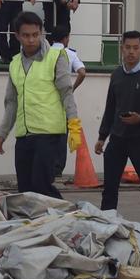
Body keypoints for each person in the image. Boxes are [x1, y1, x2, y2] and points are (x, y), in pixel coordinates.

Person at [0, 12, 79, 198]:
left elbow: (67, 92)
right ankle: (36, 225)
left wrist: (74, 125)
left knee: (41, 185)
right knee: (24, 189)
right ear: (17, 36)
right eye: (25, 35)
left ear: (42, 33)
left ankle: (64, 219)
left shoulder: (56, 57)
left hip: (49, 135)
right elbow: (11, 102)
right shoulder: (15, 63)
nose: (31, 39)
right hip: (24, 135)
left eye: (35, 34)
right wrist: (2, 133)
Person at [95, 30, 140, 232]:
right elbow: (111, 108)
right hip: (117, 140)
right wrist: (102, 137)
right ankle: (105, 227)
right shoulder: (117, 75)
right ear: (122, 49)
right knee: (109, 187)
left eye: (135, 48)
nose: (131, 52)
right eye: (127, 48)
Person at [47, 25, 86, 178]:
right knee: (62, 136)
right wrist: (72, 87)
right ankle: (57, 170)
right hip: (63, 101)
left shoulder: (45, 54)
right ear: (65, 38)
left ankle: (46, 166)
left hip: (46, 101)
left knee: (46, 135)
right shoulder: (70, 54)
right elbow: (82, 72)